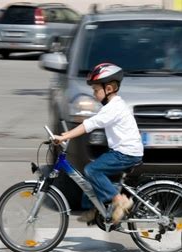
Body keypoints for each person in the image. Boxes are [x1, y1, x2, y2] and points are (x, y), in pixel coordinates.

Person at [53, 63, 144, 225]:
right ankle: (96, 209)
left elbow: (90, 124)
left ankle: (120, 200)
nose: (94, 94)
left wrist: (65, 136)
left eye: (96, 90)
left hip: (126, 154)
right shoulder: (113, 106)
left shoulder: (114, 108)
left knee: (91, 170)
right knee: (92, 173)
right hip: (122, 152)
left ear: (108, 89)